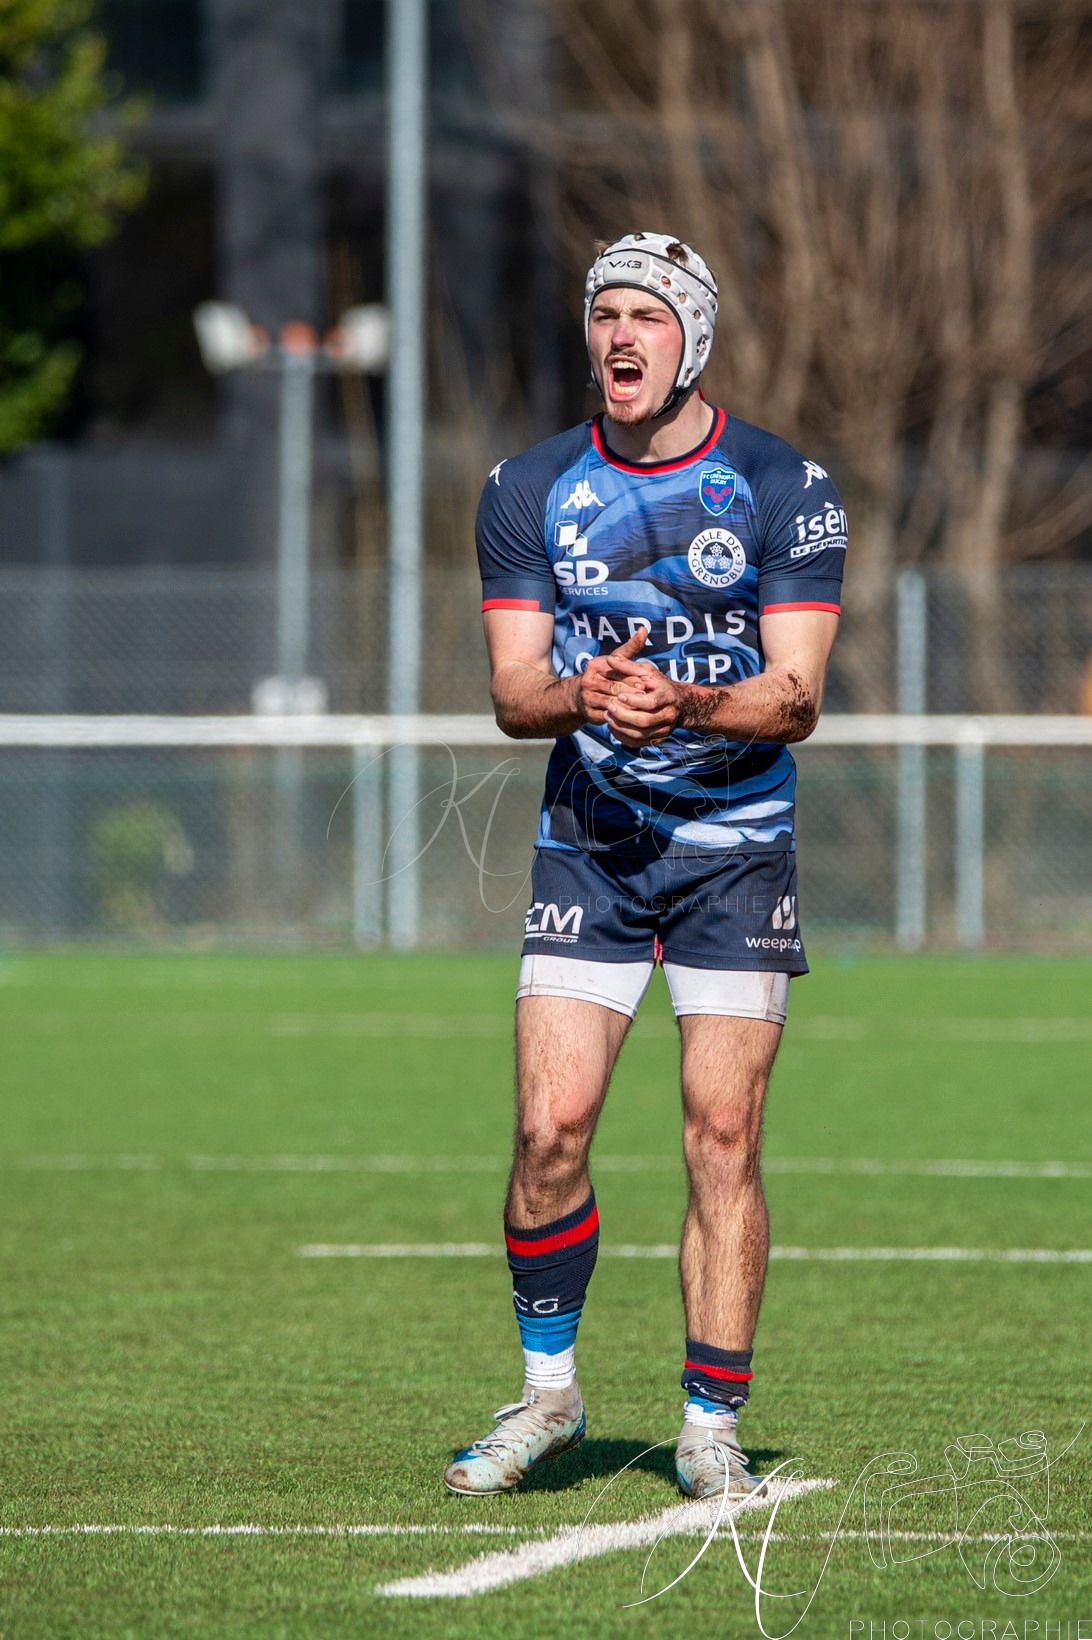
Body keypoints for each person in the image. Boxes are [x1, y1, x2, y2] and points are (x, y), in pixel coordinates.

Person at [443, 231, 846, 1502]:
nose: (620, 336)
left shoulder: (787, 484)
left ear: (694, 341)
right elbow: (515, 694)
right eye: (604, 313)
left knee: (722, 1136)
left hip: (735, 852)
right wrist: (586, 692)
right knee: (548, 1127)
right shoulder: (527, 485)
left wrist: (688, 704)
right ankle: (550, 1397)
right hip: (593, 845)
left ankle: (710, 1423)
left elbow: (796, 697)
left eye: (647, 318)